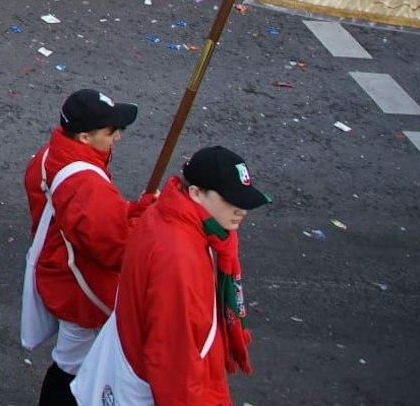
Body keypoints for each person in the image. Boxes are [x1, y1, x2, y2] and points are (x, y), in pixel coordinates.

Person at [72, 146, 269, 406]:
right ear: (196, 193)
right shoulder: (178, 258)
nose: (242, 210)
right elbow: (174, 360)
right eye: (231, 200)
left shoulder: (167, 213)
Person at [22, 90, 147, 405]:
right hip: (78, 284)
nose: (118, 137)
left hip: (61, 270)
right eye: (111, 131)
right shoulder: (86, 185)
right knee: (72, 363)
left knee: (71, 357)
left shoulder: (50, 155)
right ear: (85, 137)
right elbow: (116, 247)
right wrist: (145, 215)